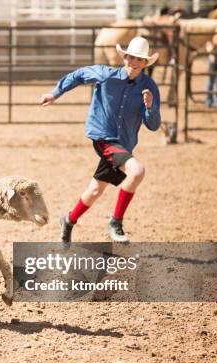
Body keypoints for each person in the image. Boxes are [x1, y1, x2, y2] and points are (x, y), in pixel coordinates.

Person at [40, 37, 161, 245]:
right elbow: (77, 75)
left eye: (139, 59)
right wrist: (55, 93)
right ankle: (116, 223)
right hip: (103, 136)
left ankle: (68, 220)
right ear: (125, 58)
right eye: (130, 56)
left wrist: (150, 107)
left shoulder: (149, 87)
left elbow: (153, 125)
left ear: (145, 63)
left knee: (96, 190)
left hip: (124, 144)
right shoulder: (105, 74)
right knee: (137, 171)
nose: (133, 61)